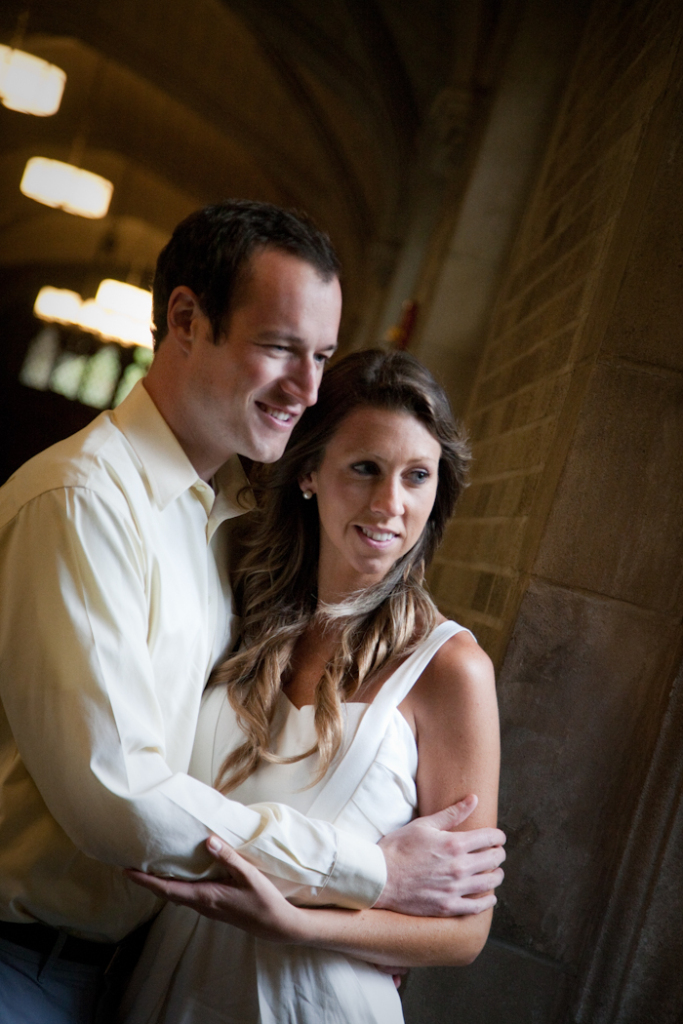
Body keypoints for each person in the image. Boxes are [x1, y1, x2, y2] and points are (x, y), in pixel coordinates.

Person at [0, 202, 504, 1024]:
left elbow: (461, 917)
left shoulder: (224, 529)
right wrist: (368, 874)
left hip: (144, 977)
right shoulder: (84, 503)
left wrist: (324, 925)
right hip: (38, 967)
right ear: (186, 321)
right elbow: (118, 795)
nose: (304, 389)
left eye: (321, 357)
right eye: (278, 346)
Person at [121, 349, 503, 1024]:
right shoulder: (241, 614)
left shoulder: (449, 669)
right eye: (364, 469)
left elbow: (462, 933)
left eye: (417, 477)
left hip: (314, 1002)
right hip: (168, 986)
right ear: (307, 471)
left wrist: (298, 925)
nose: (390, 504)